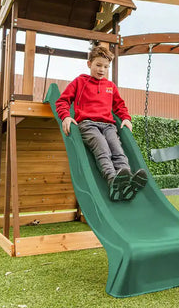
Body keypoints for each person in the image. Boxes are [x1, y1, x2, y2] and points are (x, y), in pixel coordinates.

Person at [55, 45, 147, 201]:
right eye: (98, 65)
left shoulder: (110, 86)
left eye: (106, 67)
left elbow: (119, 105)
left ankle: (127, 181)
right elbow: (62, 101)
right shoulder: (80, 81)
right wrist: (65, 116)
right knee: (103, 148)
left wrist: (126, 118)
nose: (102, 69)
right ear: (89, 63)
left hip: (108, 125)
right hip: (88, 124)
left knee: (117, 149)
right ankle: (113, 180)